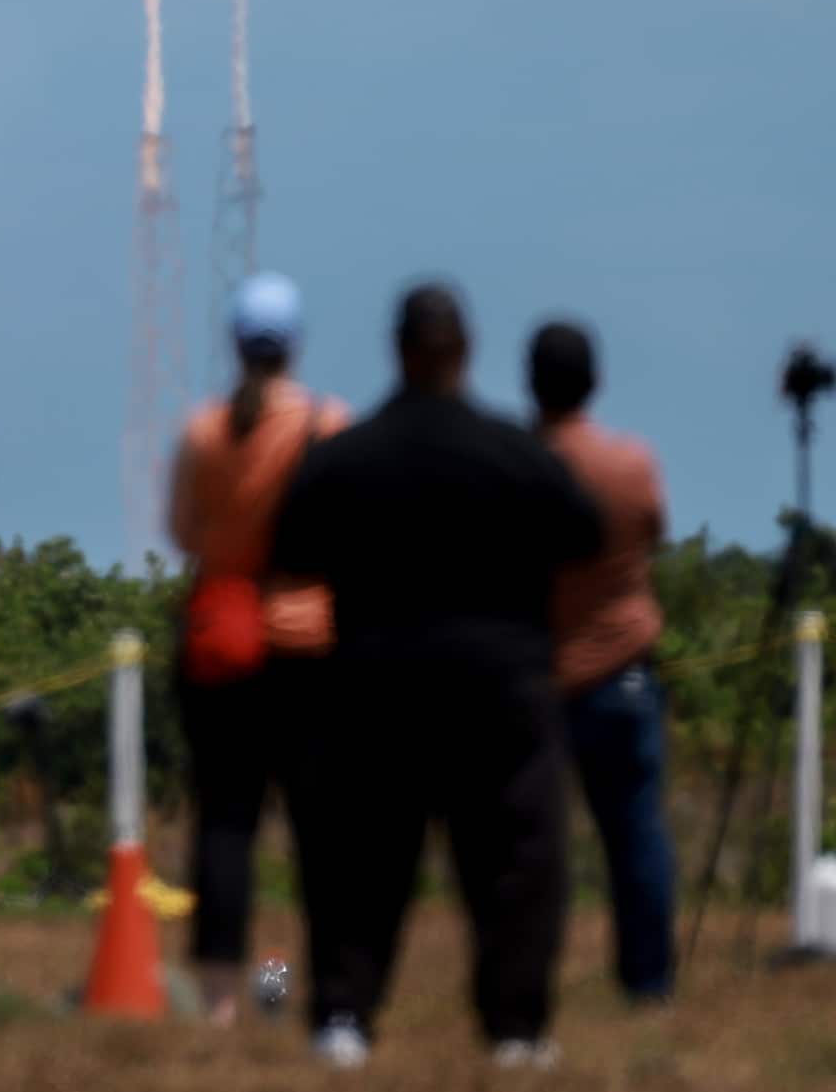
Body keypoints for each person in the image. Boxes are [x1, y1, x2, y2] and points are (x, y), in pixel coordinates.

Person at [269, 282, 604, 1071]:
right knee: (516, 859)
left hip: (375, 685)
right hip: (500, 686)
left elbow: (290, 549)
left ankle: (343, 1015)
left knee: (358, 860)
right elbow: (584, 533)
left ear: (400, 350)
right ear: (466, 350)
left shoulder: (345, 455)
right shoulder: (514, 452)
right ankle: (517, 1027)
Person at [166, 272, 350, 1027]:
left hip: (225, 647)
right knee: (323, 829)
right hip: (310, 647)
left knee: (225, 826)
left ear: (234, 344)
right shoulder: (329, 426)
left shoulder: (205, 431)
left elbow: (183, 532)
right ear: (295, 342)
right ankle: (324, 992)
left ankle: (220, 1001)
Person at [529, 319, 676, 1004]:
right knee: (637, 834)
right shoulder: (630, 461)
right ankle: (648, 985)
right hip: (623, 669)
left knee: (531, 845)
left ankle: (529, 982)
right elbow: (653, 529)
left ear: (533, 385)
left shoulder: (523, 465)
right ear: (595, 381)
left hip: (544, 678)